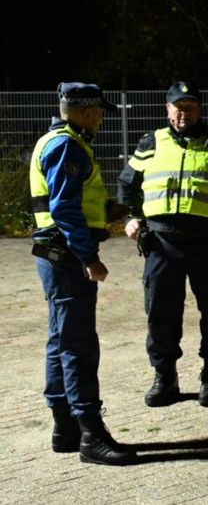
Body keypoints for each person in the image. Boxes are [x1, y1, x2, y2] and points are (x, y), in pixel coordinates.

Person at [117, 82, 208, 408]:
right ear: (168, 110)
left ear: (200, 109)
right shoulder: (151, 142)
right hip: (161, 243)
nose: (184, 112)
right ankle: (165, 377)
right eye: (178, 107)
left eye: (190, 106)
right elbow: (128, 185)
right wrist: (132, 218)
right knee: (161, 313)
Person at [29, 82, 136, 465]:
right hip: (68, 256)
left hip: (55, 254)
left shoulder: (53, 140)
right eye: (101, 111)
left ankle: (65, 428)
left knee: (61, 340)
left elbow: (75, 202)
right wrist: (90, 257)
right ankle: (91, 434)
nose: (103, 118)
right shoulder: (68, 146)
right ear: (87, 112)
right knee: (78, 345)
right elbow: (65, 209)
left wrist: (113, 210)